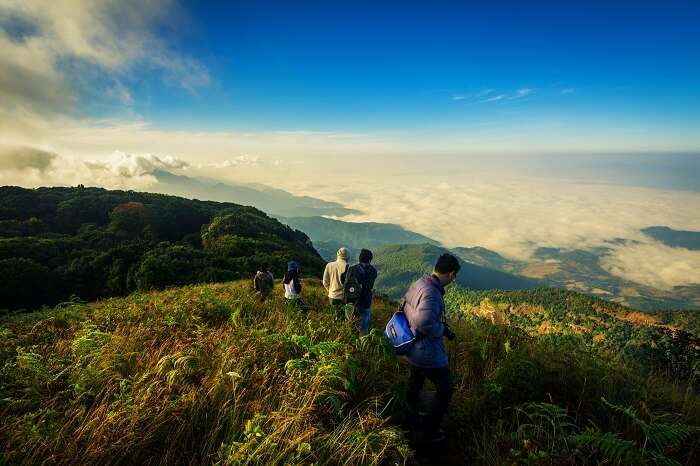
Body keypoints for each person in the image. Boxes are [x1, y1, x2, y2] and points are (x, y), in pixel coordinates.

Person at [403, 253, 460, 443]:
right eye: (454, 276)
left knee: (415, 382)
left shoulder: (420, 282)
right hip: (426, 352)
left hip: (412, 347)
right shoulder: (433, 293)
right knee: (445, 389)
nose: (454, 280)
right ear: (451, 274)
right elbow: (424, 321)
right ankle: (430, 430)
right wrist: (441, 329)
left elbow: (406, 305)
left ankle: (409, 416)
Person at [344, 249, 377, 335]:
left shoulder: (351, 269)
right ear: (370, 260)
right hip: (365, 301)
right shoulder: (373, 271)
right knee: (364, 327)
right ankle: (362, 344)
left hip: (351, 300)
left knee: (349, 324)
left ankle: (349, 342)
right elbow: (370, 286)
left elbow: (346, 285)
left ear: (359, 259)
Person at [322, 247, 349, 319]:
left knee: (334, 318)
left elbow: (325, 282)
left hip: (332, 296)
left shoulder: (329, 265)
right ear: (347, 257)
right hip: (343, 298)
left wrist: (330, 290)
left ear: (337, 255)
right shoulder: (348, 267)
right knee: (343, 318)